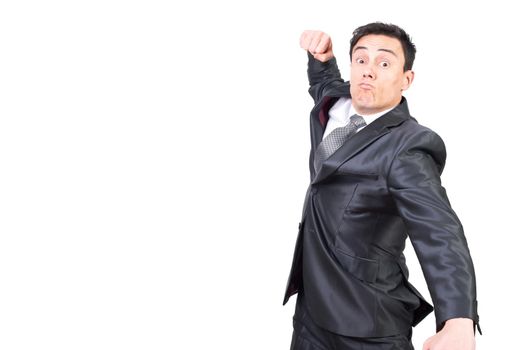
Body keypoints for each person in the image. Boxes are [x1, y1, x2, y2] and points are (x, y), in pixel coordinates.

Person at [283, 23, 481, 350]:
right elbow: (324, 84)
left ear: (406, 79)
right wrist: (321, 59)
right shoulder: (338, 102)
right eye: (361, 60)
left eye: (384, 63)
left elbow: (438, 232)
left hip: (367, 323)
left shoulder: (409, 148)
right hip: (310, 312)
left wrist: (459, 319)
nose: (368, 72)